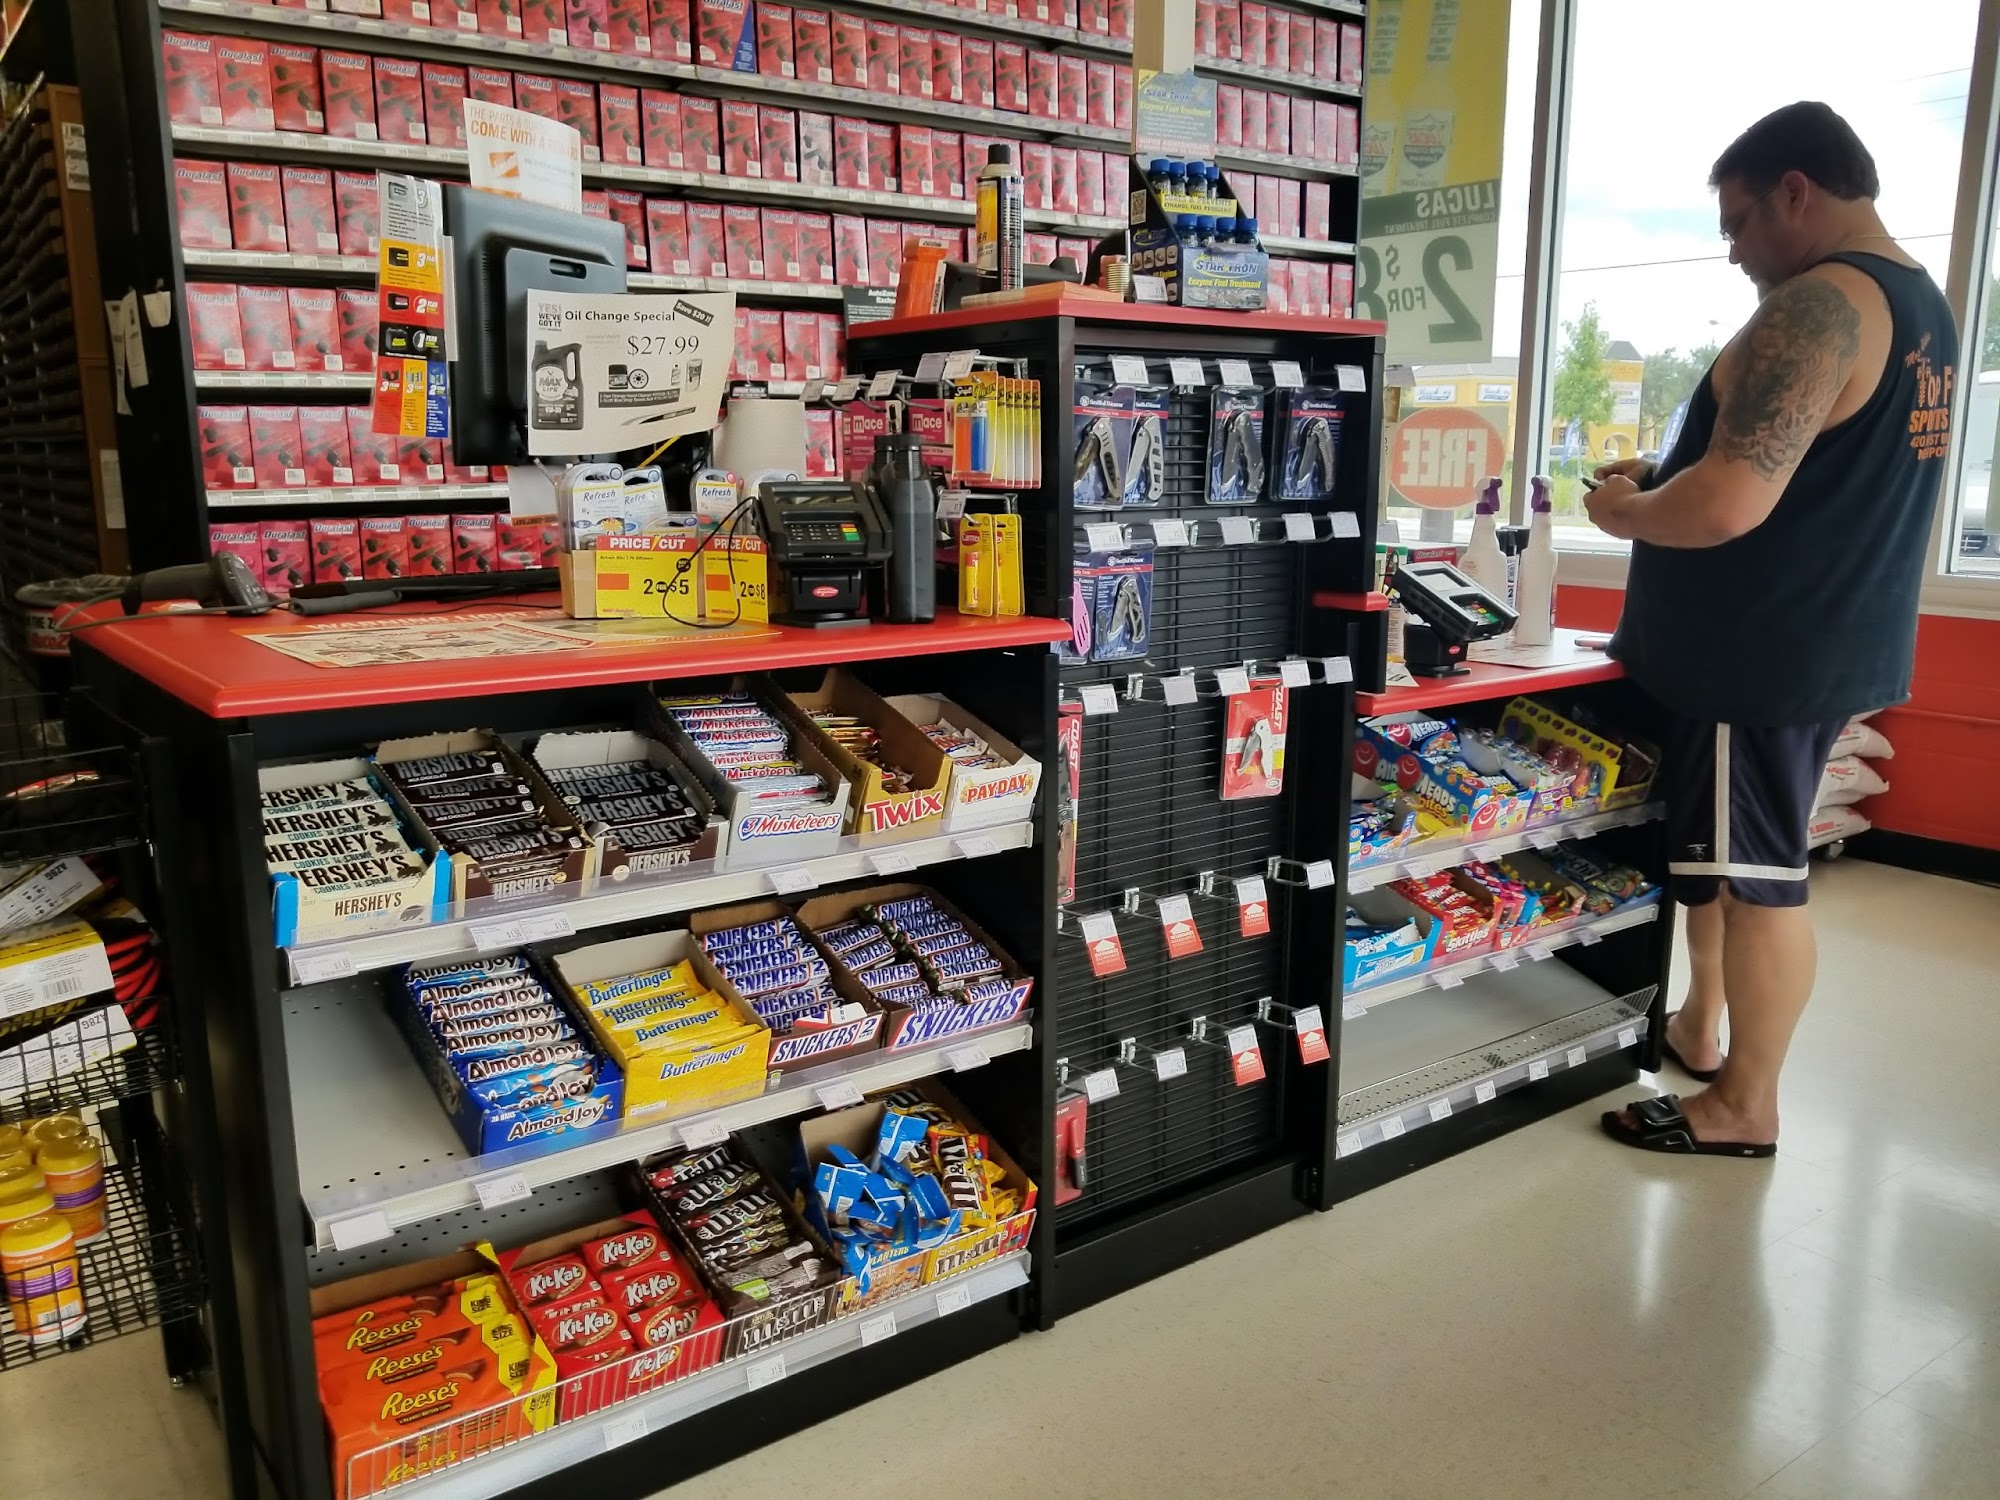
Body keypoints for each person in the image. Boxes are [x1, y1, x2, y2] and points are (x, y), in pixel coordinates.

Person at [1584, 101, 1958, 1158]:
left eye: (1739, 223)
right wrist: (1666, 475)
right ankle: (1700, 1027)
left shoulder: (1820, 304)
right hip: (1813, 634)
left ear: (1796, 191)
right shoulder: (1919, 305)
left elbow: (1726, 505)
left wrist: (1621, 512)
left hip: (1753, 653)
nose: (1735, 252)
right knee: (1719, 858)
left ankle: (1742, 1106)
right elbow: (1795, 471)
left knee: (1759, 885)